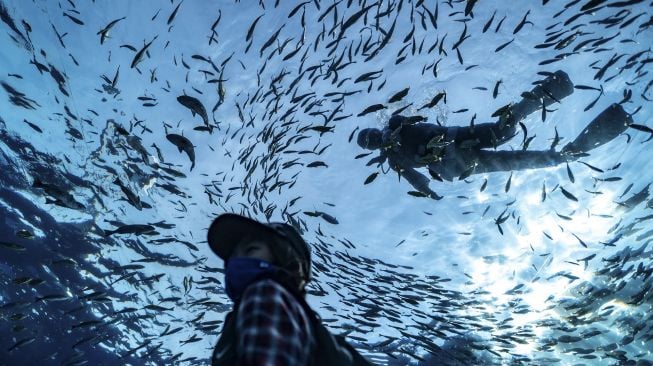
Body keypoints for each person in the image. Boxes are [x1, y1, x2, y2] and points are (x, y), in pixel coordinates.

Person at [357, 70, 632, 198]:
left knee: (508, 136)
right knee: (509, 142)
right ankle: (565, 148)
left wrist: (429, 191)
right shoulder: (393, 156)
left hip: (456, 151)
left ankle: (552, 113)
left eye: (372, 136)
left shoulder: (393, 128)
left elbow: (417, 177)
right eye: (372, 141)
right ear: (373, 147)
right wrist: (428, 191)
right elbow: (417, 180)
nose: (376, 140)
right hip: (456, 158)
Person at [207, 213, 372, 366]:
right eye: (233, 257)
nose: (238, 262)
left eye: (251, 250)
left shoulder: (264, 292)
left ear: (284, 255)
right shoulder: (304, 320)